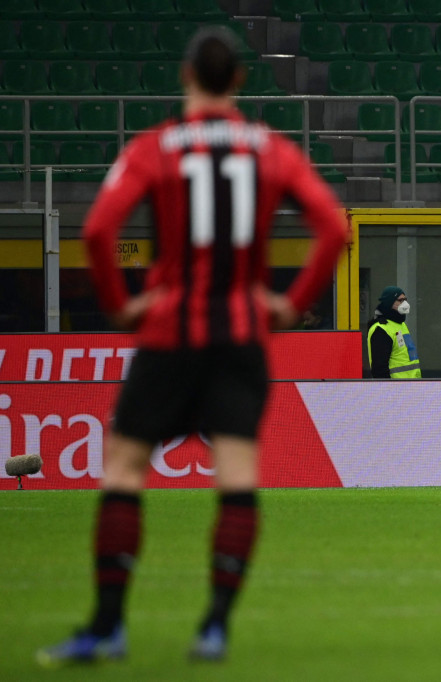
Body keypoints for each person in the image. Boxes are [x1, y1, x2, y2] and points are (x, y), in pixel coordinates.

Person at [37, 27, 351, 666]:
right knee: (235, 477)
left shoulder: (155, 148)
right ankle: (213, 627)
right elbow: (334, 227)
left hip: (168, 333)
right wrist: (290, 303)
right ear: (239, 81)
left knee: (124, 470)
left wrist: (121, 303)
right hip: (241, 336)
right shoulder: (271, 149)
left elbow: (98, 230)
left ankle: (106, 627)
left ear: (186, 76)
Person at [367, 286, 421, 379]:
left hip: (412, 388)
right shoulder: (381, 330)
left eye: (405, 300)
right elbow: (379, 369)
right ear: (389, 303)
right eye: (400, 300)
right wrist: (389, 390)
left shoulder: (401, 325)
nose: (405, 303)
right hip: (396, 390)